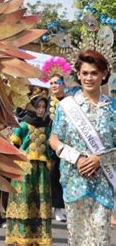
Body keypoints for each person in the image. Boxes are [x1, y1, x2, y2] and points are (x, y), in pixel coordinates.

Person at [49, 50, 114, 245]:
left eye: (94, 73)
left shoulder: (113, 108)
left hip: (104, 181)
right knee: (77, 238)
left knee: (100, 238)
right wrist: (76, 157)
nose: (89, 78)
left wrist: (99, 159)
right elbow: (54, 139)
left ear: (104, 74)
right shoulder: (66, 106)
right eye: (84, 73)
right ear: (78, 74)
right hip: (74, 181)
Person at [5, 95, 52, 245]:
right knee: (24, 200)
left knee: (40, 202)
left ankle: (38, 237)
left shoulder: (47, 126)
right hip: (25, 168)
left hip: (41, 171)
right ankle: (21, 236)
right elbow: (13, 145)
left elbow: (51, 147)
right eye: (38, 106)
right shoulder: (24, 125)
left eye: (43, 107)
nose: (40, 110)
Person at [42, 56, 72, 222]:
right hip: (46, 144)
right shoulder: (45, 102)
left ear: (63, 85)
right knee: (50, 175)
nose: (53, 85)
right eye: (51, 83)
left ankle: (60, 207)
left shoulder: (70, 102)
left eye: (57, 83)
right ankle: (52, 206)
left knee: (61, 174)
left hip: (64, 143)